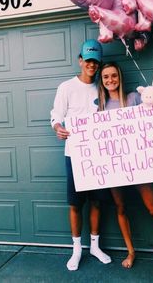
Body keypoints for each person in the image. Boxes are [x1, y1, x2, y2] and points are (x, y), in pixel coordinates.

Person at [98, 61, 153, 268]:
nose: (110, 80)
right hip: (114, 164)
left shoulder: (133, 98)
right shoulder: (98, 106)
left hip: (138, 163)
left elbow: (150, 118)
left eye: (113, 75)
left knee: (152, 208)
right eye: (106, 76)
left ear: (120, 77)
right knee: (121, 207)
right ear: (102, 80)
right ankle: (131, 252)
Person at [50, 39, 111, 271]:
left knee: (97, 201)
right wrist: (58, 128)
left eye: (95, 61)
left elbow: (120, 112)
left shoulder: (103, 87)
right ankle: (76, 250)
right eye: (88, 60)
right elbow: (56, 114)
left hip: (100, 155)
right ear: (80, 60)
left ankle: (95, 246)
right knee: (76, 204)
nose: (92, 65)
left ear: (99, 63)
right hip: (74, 155)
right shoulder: (66, 87)